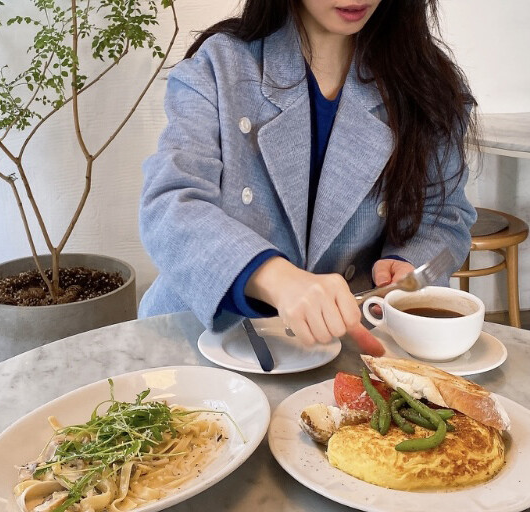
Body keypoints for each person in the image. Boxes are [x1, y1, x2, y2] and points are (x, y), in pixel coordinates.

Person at [138, 0, 478, 354]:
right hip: (199, 342)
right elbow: (170, 202)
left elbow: (443, 214)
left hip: (343, 344)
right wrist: (274, 277)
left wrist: (408, 261)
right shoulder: (221, 65)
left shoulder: (424, 82)